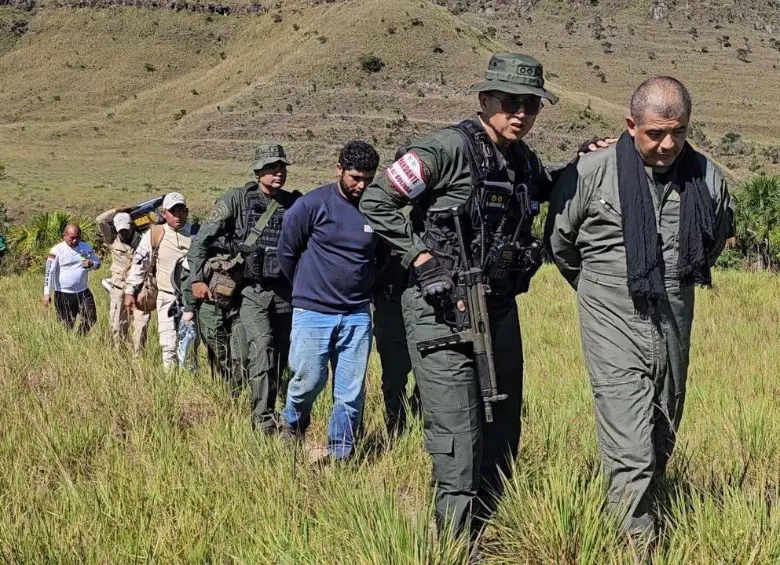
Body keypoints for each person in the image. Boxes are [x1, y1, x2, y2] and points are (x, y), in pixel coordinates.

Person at [359, 53, 588, 538]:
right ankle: (453, 543)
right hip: (440, 310)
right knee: (459, 438)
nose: (521, 114)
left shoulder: (522, 159)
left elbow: (546, 189)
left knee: (503, 429)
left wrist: (583, 160)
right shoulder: (446, 149)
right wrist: (421, 258)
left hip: (498, 308)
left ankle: (488, 529)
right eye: (510, 102)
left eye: (531, 105)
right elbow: (377, 200)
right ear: (485, 100)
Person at [545, 76, 734, 542]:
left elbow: (711, 244)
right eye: (655, 133)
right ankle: (635, 542)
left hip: (674, 316)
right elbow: (561, 242)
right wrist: (598, 289)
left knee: (663, 424)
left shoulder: (707, 177)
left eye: (679, 132)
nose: (668, 144)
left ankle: (646, 500)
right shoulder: (593, 172)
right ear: (631, 125)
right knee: (629, 437)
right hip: (610, 315)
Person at [277, 140, 380, 461]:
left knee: (350, 393)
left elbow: (381, 258)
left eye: (368, 179)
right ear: (339, 170)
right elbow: (286, 252)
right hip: (313, 312)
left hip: (357, 314)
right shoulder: (311, 205)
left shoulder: (375, 208)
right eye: (355, 178)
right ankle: (292, 423)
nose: (361, 186)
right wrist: (307, 290)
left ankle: (340, 455)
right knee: (308, 381)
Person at [188, 143, 301, 431]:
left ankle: (280, 407)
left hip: (286, 292)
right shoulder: (237, 200)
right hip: (252, 291)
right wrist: (196, 280)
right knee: (261, 348)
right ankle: (263, 419)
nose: (279, 172)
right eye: (272, 167)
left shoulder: (295, 204)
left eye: (282, 167)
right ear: (258, 171)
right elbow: (201, 240)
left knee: (283, 355)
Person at [125, 192, 194, 370]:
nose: (177, 215)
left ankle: (189, 381)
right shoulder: (155, 234)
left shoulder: (196, 234)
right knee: (168, 345)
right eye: (173, 211)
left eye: (181, 210)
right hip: (166, 296)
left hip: (192, 300)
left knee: (190, 345)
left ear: (186, 212)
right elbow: (139, 264)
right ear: (164, 213)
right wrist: (130, 291)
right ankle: (169, 380)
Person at [373, 240, 419, 437]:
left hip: (423, 306)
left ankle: (417, 416)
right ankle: (396, 430)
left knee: (429, 373)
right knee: (393, 379)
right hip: (390, 305)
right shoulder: (380, 226)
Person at [96, 211, 150, 354]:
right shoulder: (112, 239)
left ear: (132, 226)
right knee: (117, 324)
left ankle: (138, 357)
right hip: (118, 287)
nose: (122, 233)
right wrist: (118, 210)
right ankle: (119, 353)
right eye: (120, 230)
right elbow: (100, 220)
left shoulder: (143, 239)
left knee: (141, 325)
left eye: (125, 230)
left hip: (139, 288)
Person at [42, 224, 101, 334]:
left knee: (91, 318)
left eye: (77, 238)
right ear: (64, 236)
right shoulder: (56, 250)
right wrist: (46, 293)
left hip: (83, 291)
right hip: (63, 294)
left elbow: (98, 264)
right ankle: (69, 342)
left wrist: (91, 263)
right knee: (66, 325)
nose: (74, 241)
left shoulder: (86, 247)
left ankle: (80, 337)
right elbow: (49, 272)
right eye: (71, 238)